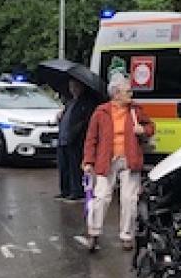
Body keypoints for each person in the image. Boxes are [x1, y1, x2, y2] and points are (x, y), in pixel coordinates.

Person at [81, 77, 155, 251]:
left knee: (129, 199)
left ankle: (126, 236)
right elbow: (91, 138)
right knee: (101, 197)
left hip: (130, 158)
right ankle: (94, 232)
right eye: (127, 91)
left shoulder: (135, 110)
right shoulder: (101, 112)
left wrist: (143, 130)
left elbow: (151, 127)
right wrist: (88, 161)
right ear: (116, 94)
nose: (131, 93)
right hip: (106, 159)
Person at [56, 79, 98, 201]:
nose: (73, 89)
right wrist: (60, 116)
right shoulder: (70, 102)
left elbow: (85, 122)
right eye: (71, 87)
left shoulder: (87, 103)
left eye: (75, 86)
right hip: (63, 139)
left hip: (76, 140)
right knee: (64, 166)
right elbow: (66, 117)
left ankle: (76, 191)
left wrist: (75, 132)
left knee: (75, 167)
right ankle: (65, 190)